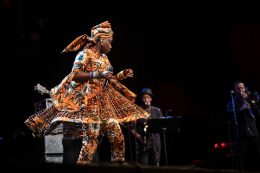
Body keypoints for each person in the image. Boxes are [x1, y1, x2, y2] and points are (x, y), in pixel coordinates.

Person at [25, 21, 149, 164]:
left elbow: (107, 80)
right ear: (101, 40)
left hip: (104, 105)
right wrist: (96, 74)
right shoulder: (84, 54)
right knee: (91, 142)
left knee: (118, 138)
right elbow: (75, 75)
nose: (111, 46)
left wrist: (121, 75)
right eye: (110, 42)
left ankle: (118, 168)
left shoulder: (105, 58)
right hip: (90, 104)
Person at [227, 81, 260, 171]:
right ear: (235, 90)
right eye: (238, 88)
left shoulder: (249, 99)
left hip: (253, 132)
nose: (240, 90)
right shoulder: (231, 103)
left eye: (242, 88)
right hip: (241, 134)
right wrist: (241, 109)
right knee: (241, 160)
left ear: (244, 89)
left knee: (259, 157)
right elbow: (231, 119)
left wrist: (251, 102)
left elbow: (258, 113)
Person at [130, 88, 162, 166]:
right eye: (144, 97)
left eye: (147, 97)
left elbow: (161, 125)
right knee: (143, 165)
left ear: (151, 99)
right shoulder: (136, 111)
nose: (146, 99)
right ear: (141, 98)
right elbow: (131, 127)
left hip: (155, 141)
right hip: (142, 142)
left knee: (155, 165)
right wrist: (138, 136)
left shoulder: (157, 110)